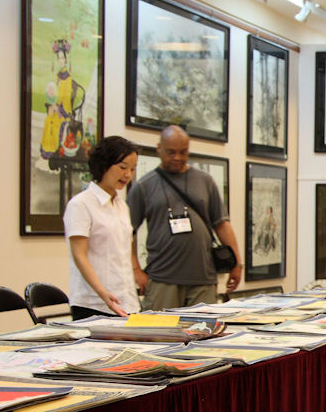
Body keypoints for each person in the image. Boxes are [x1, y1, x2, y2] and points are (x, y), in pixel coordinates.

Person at [128, 125, 242, 310]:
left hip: (203, 279)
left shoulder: (205, 181)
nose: (177, 158)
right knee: (160, 335)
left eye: (183, 152)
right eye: (171, 152)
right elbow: (127, 233)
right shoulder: (144, 186)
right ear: (159, 149)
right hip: (163, 280)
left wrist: (237, 263)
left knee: (203, 334)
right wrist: (136, 271)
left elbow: (222, 224)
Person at [63, 136, 142, 320]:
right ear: (104, 165)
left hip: (126, 301)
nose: (128, 175)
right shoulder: (81, 204)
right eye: (122, 167)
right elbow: (79, 255)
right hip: (93, 303)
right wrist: (103, 293)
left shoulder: (122, 206)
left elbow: (124, 249)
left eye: (132, 169)